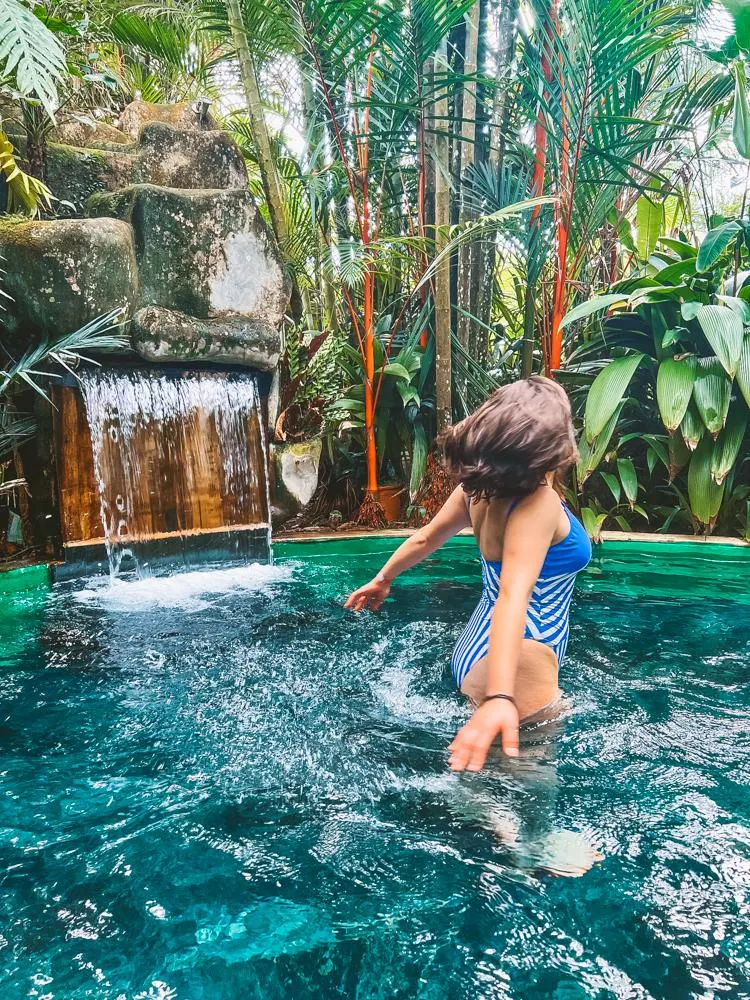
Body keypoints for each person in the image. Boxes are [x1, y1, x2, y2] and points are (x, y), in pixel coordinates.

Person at [344, 376, 591, 773]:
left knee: (484, 774)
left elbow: (425, 539)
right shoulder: (537, 504)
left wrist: (383, 578)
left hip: (474, 650)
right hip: (521, 653)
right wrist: (499, 697)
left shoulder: (476, 492)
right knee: (527, 795)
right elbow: (513, 595)